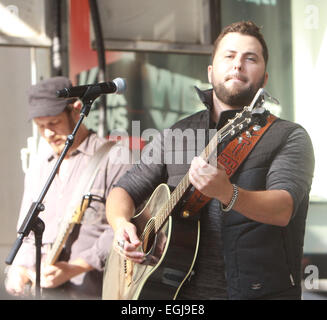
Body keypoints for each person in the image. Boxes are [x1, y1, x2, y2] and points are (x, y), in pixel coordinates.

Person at [104, 21, 315, 300]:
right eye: (228, 56)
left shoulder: (289, 136)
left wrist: (228, 193)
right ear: (210, 71)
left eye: (250, 58)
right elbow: (123, 189)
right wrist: (121, 226)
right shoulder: (176, 135)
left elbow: (282, 209)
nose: (238, 65)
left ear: (265, 79)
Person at [5, 76, 132, 299]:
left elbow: (124, 225)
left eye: (53, 123)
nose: (47, 133)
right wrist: (18, 271)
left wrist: (77, 267)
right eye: (40, 127)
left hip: (92, 289)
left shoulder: (114, 158)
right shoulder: (39, 164)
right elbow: (25, 231)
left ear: (76, 108)